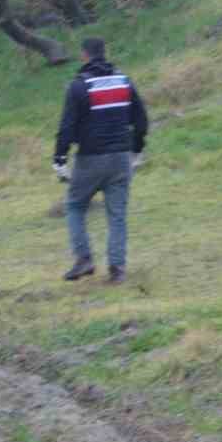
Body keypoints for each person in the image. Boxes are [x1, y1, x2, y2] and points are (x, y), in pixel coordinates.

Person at [54, 37, 149, 284]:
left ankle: (84, 258)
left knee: (75, 205)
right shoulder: (123, 81)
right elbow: (141, 121)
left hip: (90, 158)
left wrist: (60, 158)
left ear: (84, 56)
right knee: (117, 214)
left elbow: (67, 127)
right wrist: (137, 150)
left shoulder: (79, 86)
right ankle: (117, 269)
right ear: (105, 54)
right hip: (121, 158)